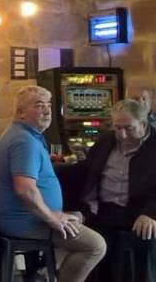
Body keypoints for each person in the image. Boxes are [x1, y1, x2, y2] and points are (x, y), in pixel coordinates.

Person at [0, 85, 106, 282]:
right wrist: (52, 218)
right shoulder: (24, 141)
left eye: (48, 105)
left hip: (20, 218)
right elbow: (25, 189)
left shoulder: (21, 134)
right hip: (25, 222)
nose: (46, 111)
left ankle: (45, 273)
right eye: (38, 105)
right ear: (21, 112)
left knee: (78, 216)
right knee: (95, 245)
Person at [79, 98, 156, 281]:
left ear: (143, 124)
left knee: (142, 241)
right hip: (104, 211)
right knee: (93, 247)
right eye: (117, 128)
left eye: (129, 128)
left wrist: (151, 213)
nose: (122, 135)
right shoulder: (105, 141)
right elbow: (87, 174)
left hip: (139, 212)